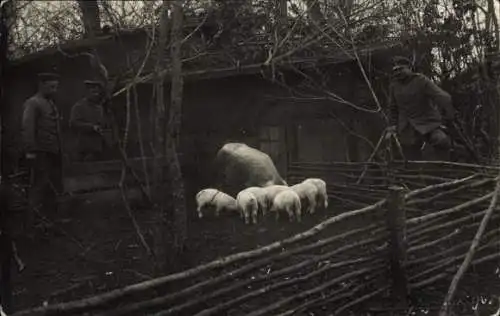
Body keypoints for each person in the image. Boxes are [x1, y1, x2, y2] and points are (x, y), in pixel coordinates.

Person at [387, 56, 456, 161]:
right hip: (407, 126)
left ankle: (444, 168)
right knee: (409, 155)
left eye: (401, 69)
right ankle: (417, 174)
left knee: (441, 140)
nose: (398, 73)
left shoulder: (421, 80)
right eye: (395, 71)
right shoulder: (394, 86)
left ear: (409, 68)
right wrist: (392, 126)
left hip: (427, 122)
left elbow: (442, 97)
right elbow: (393, 108)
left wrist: (448, 113)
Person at [21, 72, 63, 225]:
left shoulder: (50, 103)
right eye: (51, 87)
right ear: (41, 85)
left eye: (56, 87)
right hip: (40, 153)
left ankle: (50, 221)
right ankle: (30, 223)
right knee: (39, 186)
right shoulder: (33, 103)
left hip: (53, 152)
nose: (54, 90)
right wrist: (30, 151)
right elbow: (27, 127)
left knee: (53, 186)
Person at [69, 80, 106, 161]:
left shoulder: (100, 108)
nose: (96, 95)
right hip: (83, 148)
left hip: (97, 148)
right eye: (93, 92)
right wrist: (92, 127)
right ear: (87, 92)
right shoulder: (79, 106)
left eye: (97, 92)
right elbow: (73, 123)